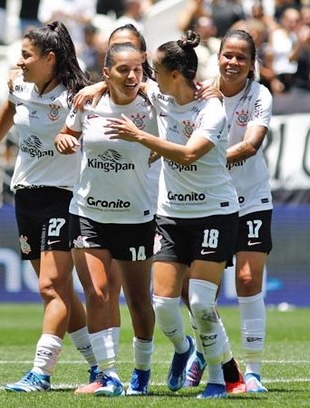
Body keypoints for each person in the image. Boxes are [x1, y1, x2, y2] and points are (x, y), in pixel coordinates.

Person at [105, 30, 240, 399]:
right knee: (163, 305)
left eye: (154, 70)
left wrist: (141, 138)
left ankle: (217, 379)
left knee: (199, 301)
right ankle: (185, 349)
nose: (147, 76)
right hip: (172, 215)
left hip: (214, 213)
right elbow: (121, 84)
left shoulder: (211, 109)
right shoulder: (160, 97)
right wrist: (88, 90)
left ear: (176, 73)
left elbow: (189, 154)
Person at [0, 21, 98, 393]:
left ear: (49, 58)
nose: (20, 61)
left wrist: (74, 141)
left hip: (63, 196)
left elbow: (96, 133)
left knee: (50, 287)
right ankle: (97, 366)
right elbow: (8, 110)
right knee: (60, 292)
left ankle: (41, 372)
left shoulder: (76, 95)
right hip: (26, 195)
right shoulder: (21, 86)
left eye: (26, 55)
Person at [54, 41, 158, 397]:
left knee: (140, 300)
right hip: (87, 212)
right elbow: (66, 134)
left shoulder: (153, 103)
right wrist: (64, 141)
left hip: (136, 215)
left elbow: (185, 107)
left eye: (137, 70)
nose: (132, 76)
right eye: (123, 70)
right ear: (107, 73)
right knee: (97, 293)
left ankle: (141, 372)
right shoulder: (88, 102)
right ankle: (109, 376)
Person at [184, 29, 274, 394]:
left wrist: (205, 160)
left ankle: (252, 370)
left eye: (241, 57)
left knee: (249, 281)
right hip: (209, 202)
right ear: (217, 57)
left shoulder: (259, 95)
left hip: (251, 198)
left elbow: (251, 145)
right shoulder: (201, 93)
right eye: (227, 55)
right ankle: (209, 352)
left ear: (252, 64)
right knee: (203, 292)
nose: (233, 62)